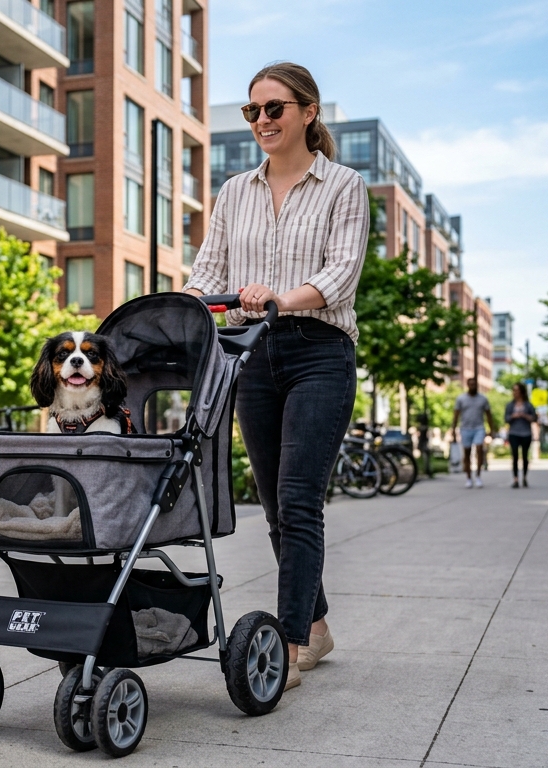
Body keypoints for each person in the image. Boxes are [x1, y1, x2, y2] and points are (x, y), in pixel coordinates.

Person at [184, 62, 369, 690]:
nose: (262, 120)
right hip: (252, 356)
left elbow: (342, 275)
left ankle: (289, 644)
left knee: (298, 500)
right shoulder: (234, 191)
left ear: (307, 112)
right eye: (252, 110)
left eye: (275, 109)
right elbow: (209, 270)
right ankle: (316, 623)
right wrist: (178, 308)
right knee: (272, 505)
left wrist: (277, 301)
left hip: (319, 351)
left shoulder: (344, 186)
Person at [452, 378, 499, 489]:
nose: (473, 386)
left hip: (479, 428)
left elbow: (488, 415)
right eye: (471, 384)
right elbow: (456, 415)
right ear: (467, 385)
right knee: (467, 453)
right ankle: (468, 478)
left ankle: (478, 476)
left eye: (474, 384)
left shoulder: (483, 399)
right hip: (465, 428)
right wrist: (453, 430)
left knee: (479, 450)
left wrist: (492, 430)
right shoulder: (461, 399)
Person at [505, 383, 536, 488]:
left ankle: (524, 477)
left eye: (517, 390)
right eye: (514, 390)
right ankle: (515, 479)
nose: (515, 392)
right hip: (514, 433)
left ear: (522, 392)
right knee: (514, 456)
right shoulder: (510, 405)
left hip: (526, 433)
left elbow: (534, 418)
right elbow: (506, 418)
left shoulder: (528, 405)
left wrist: (525, 415)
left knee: (525, 456)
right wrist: (513, 416)